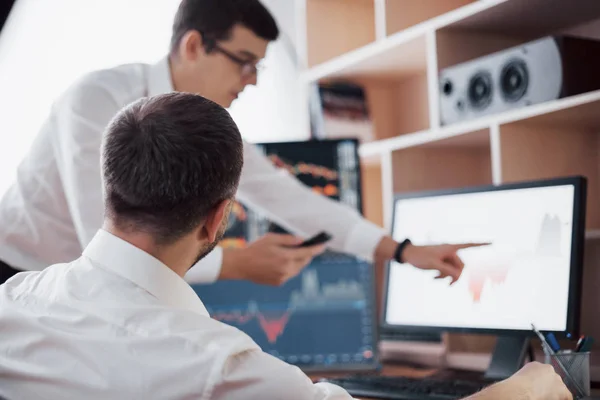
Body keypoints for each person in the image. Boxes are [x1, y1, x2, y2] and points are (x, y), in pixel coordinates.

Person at [0, 93, 572, 400]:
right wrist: (529, 388)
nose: (251, 77)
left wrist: (397, 250)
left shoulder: (14, 301)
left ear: (109, 189)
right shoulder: (219, 369)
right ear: (220, 217)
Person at [0, 0, 483, 286]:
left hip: (91, 288)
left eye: (259, 67)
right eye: (244, 61)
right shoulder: (95, 99)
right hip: (17, 277)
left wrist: (400, 250)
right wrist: (235, 264)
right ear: (193, 46)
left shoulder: (199, 125)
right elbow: (103, 244)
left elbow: (286, 195)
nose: (251, 81)